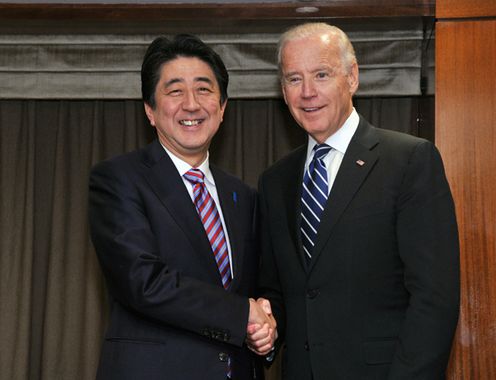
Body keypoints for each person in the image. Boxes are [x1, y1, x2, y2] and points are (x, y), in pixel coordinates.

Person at [247, 23, 460, 379]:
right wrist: (266, 327)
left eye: (321, 74)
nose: (308, 92)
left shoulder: (409, 160)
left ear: (352, 77)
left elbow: (434, 299)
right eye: (294, 79)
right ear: (283, 92)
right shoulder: (275, 181)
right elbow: (280, 290)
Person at [89, 34, 275, 380]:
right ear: (150, 110)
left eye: (204, 90)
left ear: (222, 109)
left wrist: (265, 327)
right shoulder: (118, 179)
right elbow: (143, 282)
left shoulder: (243, 195)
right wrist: (241, 314)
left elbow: (256, 290)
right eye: (175, 91)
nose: (191, 104)